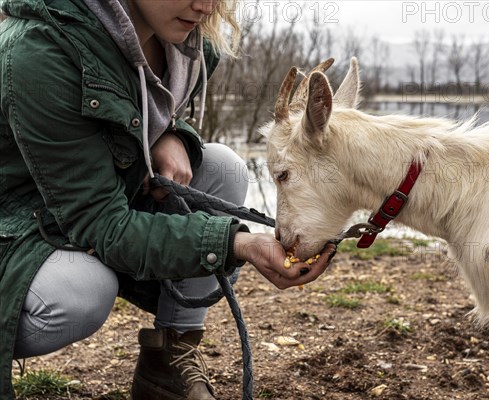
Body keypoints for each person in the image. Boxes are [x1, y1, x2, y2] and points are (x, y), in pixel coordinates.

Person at [0, 1, 337, 399]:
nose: (205, 6)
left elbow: (136, 112)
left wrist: (173, 135)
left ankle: (167, 363)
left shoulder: (187, 45)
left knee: (222, 168)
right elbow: (101, 224)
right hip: (18, 229)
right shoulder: (39, 52)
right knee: (82, 291)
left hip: (85, 208)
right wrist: (238, 242)